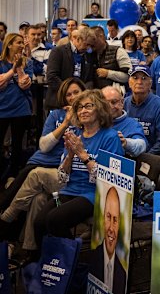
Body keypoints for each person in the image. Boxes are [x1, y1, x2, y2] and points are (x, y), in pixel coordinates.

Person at [0, 78, 85, 253]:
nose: (73, 97)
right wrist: (65, 123)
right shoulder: (56, 115)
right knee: (31, 193)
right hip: (40, 161)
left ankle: (5, 221)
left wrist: (76, 119)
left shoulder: (87, 117)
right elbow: (44, 146)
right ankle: (26, 248)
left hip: (59, 169)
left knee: (33, 177)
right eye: (68, 94)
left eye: (76, 92)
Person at [34, 90, 124, 251]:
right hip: (69, 191)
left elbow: (109, 179)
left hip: (94, 195)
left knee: (55, 219)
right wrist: (69, 155)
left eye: (88, 106)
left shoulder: (110, 137)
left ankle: (69, 262)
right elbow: (62, 177)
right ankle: (46, 265)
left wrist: (82, 155)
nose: (83, 111)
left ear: (100, 109)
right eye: (79, 107)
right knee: (40, 221)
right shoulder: (75, 135)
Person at [0, 33, 33, 180]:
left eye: (22, 43)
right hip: (2, 108)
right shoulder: (0, 63)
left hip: (21, 108)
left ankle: (13, 174)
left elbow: (24, 84)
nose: (22, 45)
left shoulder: (28, 63)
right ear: (9, 45)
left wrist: (19, 68)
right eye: (18, 43)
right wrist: (12, 70)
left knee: (18, 143)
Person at [124, 65, 160, 157]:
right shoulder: (124, 103)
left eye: (144, 78)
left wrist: (147, 157)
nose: (139, 82)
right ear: (129, 83)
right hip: (127, 154)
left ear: (150, 84)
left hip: (153, 157)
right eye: (135, 78)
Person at [45, 27, 96, 110]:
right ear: (78, 39)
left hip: (79, 104)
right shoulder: (58, 51)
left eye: (90, 45)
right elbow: (51, 77)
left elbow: (89, 79)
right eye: (86, 44)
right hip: (58, 103)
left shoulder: (88, 55)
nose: (88, 48)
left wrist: (81, 94)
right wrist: (69, 92)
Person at [89, 187, 127, 294]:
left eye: (115, 220)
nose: (111, 228)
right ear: (102, 219)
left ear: (119, 224)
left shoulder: (122, 274)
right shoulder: (92, 259)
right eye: (108, 217)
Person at [102, 86, 147, 157]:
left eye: (114, 102)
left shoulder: (132, 124)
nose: (110, 107)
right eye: (105, 103)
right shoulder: (95, 122)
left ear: (122, 102)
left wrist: (126, 142)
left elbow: (142, 145)